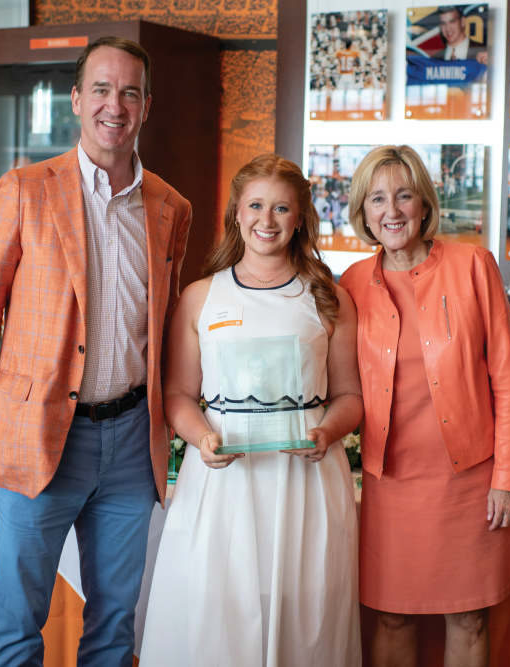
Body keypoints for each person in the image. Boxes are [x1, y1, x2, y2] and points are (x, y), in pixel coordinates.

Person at [0, 36, 192, 666]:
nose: (115, 105)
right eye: (101, 89)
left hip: (131, 445)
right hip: (37, 434)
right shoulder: (25, 189)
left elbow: (166, 326)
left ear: (146, 105)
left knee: (116, 624)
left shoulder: (171, 207)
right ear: (75, 99)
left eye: (130, 92)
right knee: (19, 621)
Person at [140, 154, 363, 666]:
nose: (267, 220)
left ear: (300, 217)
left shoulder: (329, 298)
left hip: (304, 479)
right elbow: (176, 394)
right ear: (236, 215)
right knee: (217, 608)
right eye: (256, 206)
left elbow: (350, 396)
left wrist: (327, 432)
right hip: (221, 480)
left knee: (305, 612)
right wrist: (201, 438)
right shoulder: (199, 298)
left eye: (281, 208)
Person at [338, 145, 510, 667]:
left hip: (471, 481)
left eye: (404, 195)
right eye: (377, 199)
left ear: (424, 202)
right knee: (392, 615)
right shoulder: (349, 284)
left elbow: (507, 381)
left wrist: (509, 476)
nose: (392, 211)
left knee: (469, 616)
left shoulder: (473, 266)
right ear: (363, 213)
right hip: (389, 483)